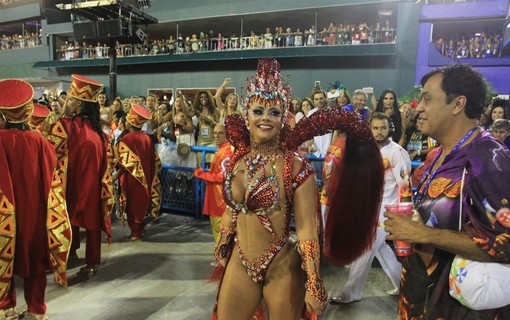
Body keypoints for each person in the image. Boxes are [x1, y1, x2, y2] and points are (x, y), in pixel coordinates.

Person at [212, 58, 384, 319]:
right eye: (258, 111)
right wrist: (224, 240)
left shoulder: (295, 167)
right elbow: (234, 209)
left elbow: (306, 228)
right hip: (241, 260)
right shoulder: (239, 159)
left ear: (284, 117)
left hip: (281, 264)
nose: (265, 119)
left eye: (274, 112)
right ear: (246, 115)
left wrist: (314, 280)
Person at [384, 64, 510, 319]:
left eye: (427, 99)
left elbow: (505, 244)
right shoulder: (436, 155)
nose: (418, 107)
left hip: (460, 308)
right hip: (421, 300)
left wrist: (422, 233)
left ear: (457, 104)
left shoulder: (489, 157)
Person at [0, 79, 71, 320]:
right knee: (36, 262)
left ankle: (6, 308)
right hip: (37, 212)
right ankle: (36, 310)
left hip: (6, 214)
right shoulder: (40, 141)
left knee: (3, 256)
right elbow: (53, 178)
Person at [331, 112, 410, 304]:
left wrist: (403, 216)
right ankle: (405, 287)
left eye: (383, 127)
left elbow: (405, 186)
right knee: (381, 250)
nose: (379, 132)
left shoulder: (397, 152)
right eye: (375, 128)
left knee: (364, 249)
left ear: (389, 128)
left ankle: (352, 292)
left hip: (385, 211)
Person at [47, 74, 114, 279]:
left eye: (73, 100)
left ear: (81, 105)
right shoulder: (100, 133)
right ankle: (92, 264)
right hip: (93, 187)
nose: (69, 102)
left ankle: (70, 252)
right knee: (92, 224)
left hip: (69, 184)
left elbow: (50, 150)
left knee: (68, 217)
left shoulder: (65, 126)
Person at [113, 104, 161, 241]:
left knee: (132, 205)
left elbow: (122, 164)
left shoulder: (126, 140)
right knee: (142, 203)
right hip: (147, 176)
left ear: (130, 122)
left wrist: (116, 176)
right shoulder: (147, 139)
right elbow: (155, 160)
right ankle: (140, 230)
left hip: (132, 179)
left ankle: (135, 233)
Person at [193, 124, 233, 261]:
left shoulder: (226, 152)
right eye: (215, 133)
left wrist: (201, 174)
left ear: (227, 134)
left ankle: (222, 258)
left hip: (219, 198)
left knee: (220, 228)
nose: (216, 136)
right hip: (217, 195)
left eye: (220, 133)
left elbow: (223, 176)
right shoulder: (222, 150)